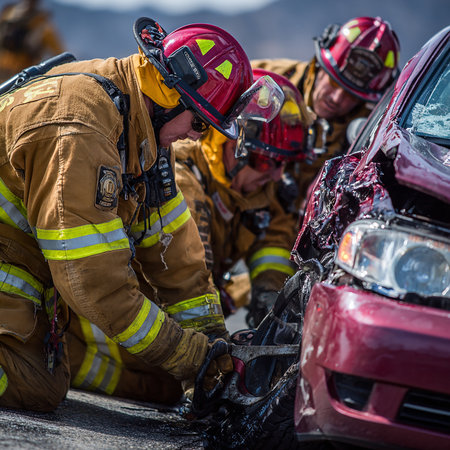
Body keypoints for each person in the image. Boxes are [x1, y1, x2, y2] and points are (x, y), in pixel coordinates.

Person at [0, 17, 274, 411]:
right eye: (199, 121)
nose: (198, 136)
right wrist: (189, 357)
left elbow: (178, 258)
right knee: (33, 386)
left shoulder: (141, 132)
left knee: (43, 381)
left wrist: (216, 346)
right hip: (17, 264)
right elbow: (94, 281)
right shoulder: (81, 128)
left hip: (22, 267)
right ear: (166, 90)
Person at [174, 68, 312, 329]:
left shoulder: (261, 189)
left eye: (284, 163)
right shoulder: (183, 178)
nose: (276, 175)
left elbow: (274, 242)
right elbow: (189, 278)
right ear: (230, 141)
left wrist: (269, 293)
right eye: (266, 161)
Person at [252, 16, 400, 216]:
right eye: (334, 83)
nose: (337, 98)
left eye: (351, 95)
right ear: (318, 66)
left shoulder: (370, 134)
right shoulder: (264, 78)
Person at [0, 0, 64, 82]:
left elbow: (60, 54)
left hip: (20, 78)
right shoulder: (7, 16)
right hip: (11, 75)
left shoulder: (42, 26)